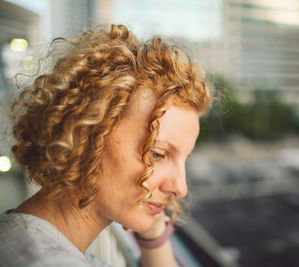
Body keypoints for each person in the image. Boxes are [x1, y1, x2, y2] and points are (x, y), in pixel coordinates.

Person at [0, 24, 211, 267]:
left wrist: (152, 232)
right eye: (157, 153)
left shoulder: (25, 237)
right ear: (86, 135)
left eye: (184, 159)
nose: (180, 188)